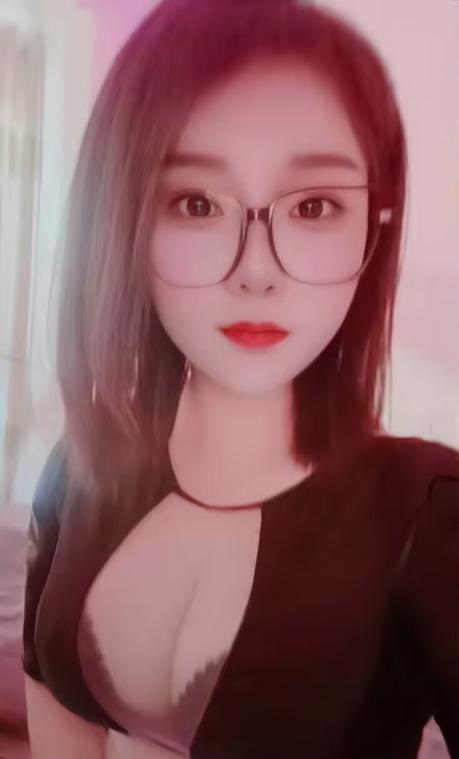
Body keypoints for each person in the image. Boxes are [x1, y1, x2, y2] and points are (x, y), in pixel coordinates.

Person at [22, 0, 459, 757]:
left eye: (314, 206)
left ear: (374, 222)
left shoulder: (430, 512)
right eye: (196, 204)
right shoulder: (84, 464)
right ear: (123, 218)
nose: (256, 271)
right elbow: (48, 685)